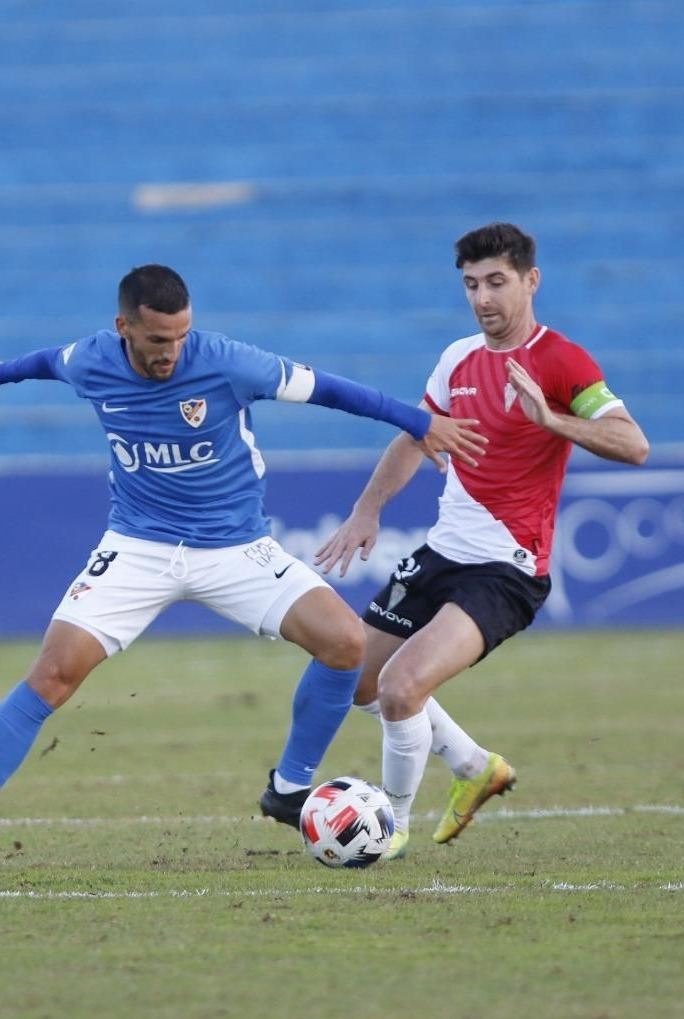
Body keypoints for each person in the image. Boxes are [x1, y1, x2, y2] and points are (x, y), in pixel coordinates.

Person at [0, 264, 486, 869]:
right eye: (159, 340)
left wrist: (421, 422)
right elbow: (50, 361)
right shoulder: (92, 361)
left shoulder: (230, 362)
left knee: (345, 643)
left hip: (237, 548)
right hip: (137, 547)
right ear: (123, 328)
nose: (173, 352)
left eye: (182, 336)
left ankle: (289, 789)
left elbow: (332, 390)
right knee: (52, 674)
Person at [264, 222, 649, 861]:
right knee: (361, 682)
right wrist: (368, 509)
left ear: (531, 280)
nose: (483, 298)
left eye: (497, 282)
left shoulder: (563, 362)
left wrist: (551, 420)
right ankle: (474, 767)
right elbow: (418, 435)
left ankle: (389, 829)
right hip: (443, 553)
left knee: (401, 687)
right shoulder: (458, 359)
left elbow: (634, 444)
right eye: (471, 284)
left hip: (507, 570)